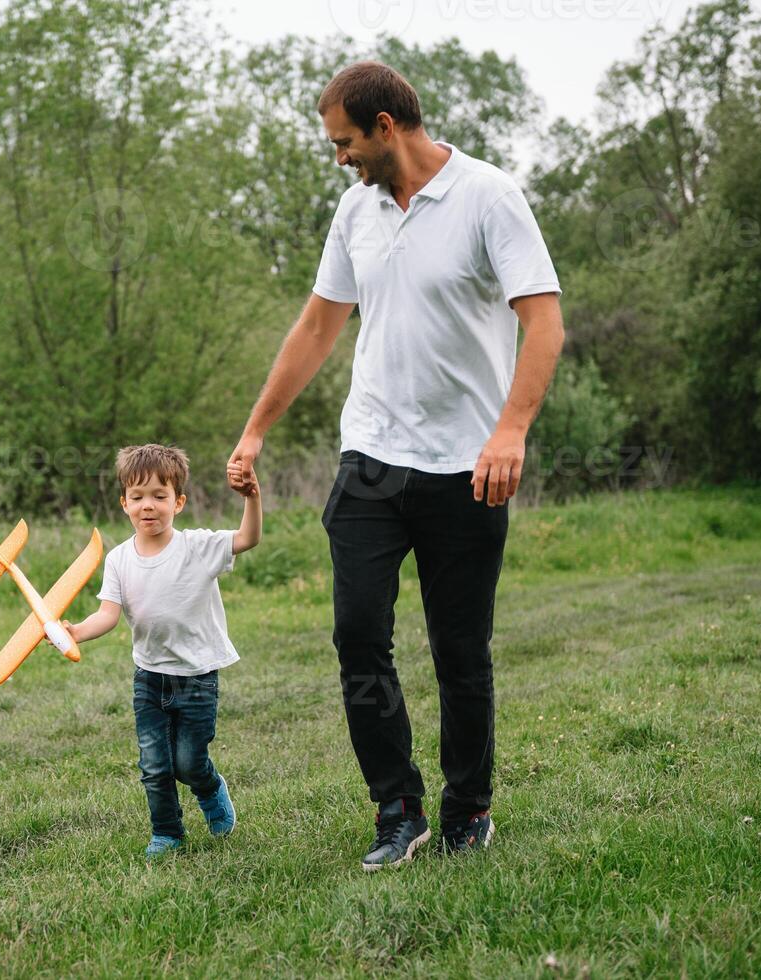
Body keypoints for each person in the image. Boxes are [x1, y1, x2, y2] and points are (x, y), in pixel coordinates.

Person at [226, 61, 565, 870]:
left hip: (467, 468)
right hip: (371, 459)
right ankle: (397, 808)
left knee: (459, 649)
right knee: (357, 635)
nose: (338, 157)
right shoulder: (355, 213)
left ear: (386, 127)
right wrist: (255, 430)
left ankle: (467, 809)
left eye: (344, 142)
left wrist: (510, 430)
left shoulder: (489, 196)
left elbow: (543, 322)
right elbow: (316, 326)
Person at [64, 444, 263, 857]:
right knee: (155, 766)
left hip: (197, 676)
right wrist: (75, 632)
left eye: (159, 495)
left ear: (179, 502)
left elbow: (247, 538)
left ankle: (209, 789)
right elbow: (107, 615)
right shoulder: (119, 559)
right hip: (149, 677)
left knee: (189, 762)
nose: (148, 506)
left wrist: (251, 498)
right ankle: (168, 833)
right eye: (137, 497)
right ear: (124, 504)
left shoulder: (197, 547)